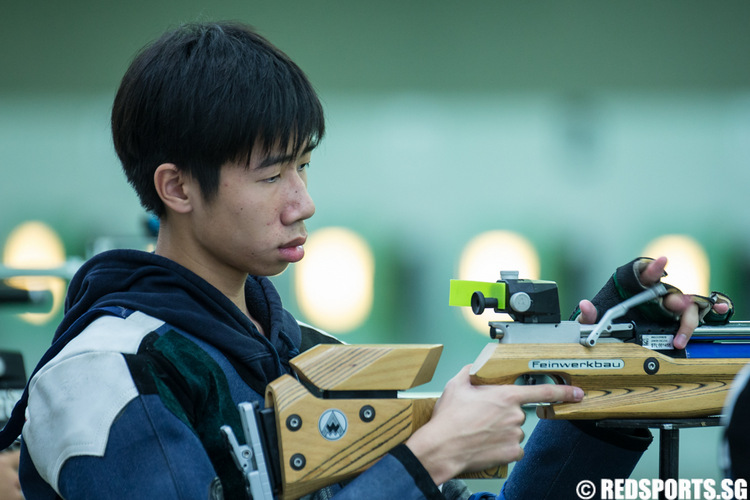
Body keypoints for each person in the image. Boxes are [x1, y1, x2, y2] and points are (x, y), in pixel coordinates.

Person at [0, 21, 728, 499]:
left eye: (305, 168)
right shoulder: (106, 374)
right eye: (271, 174)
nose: (303, 202)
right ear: (177, 186)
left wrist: (595, 379)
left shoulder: (311, 358)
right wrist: (425, 459)